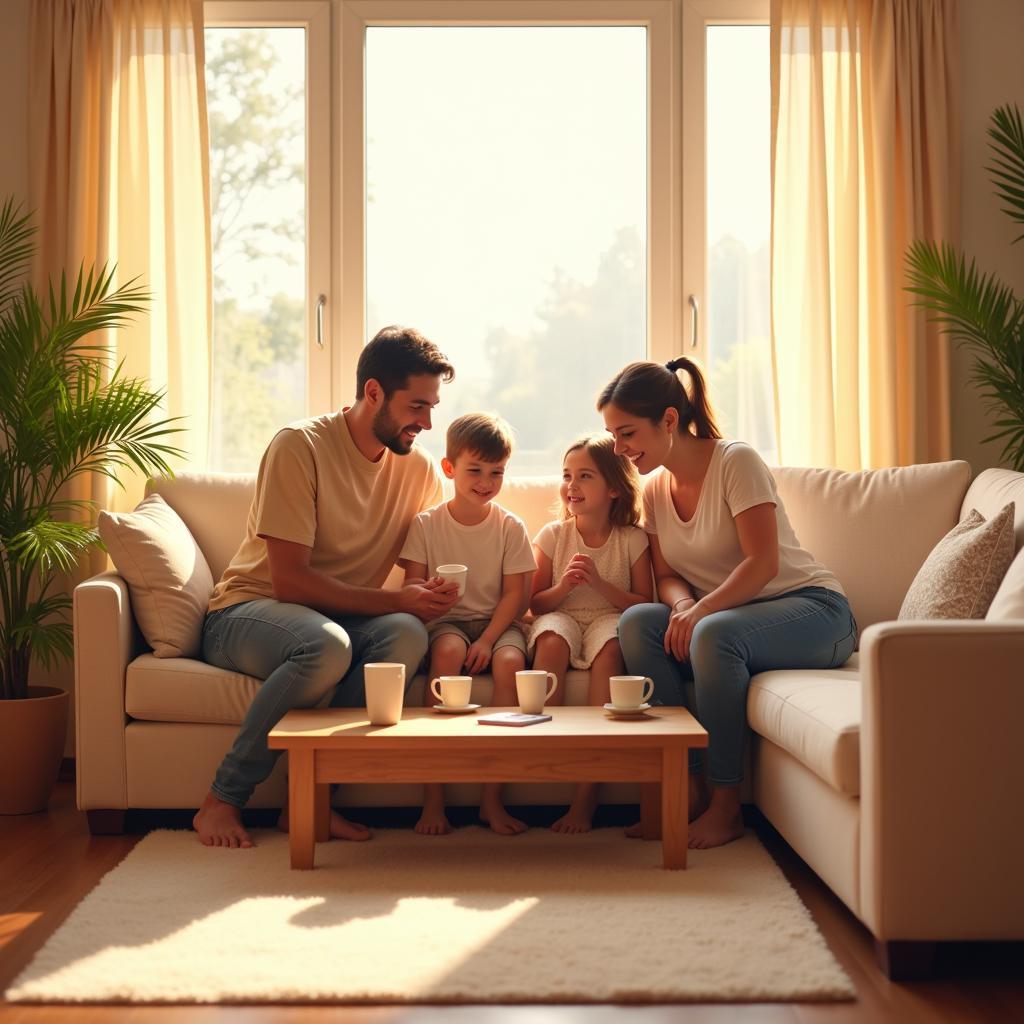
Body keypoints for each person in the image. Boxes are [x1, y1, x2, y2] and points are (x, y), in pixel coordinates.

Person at [193, 326, 460, 850]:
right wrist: (394, 600)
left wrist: (433, 596)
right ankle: (221, 801)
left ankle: (308, 802)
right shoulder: (301, 446)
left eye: (433, 407)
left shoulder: (417, 469)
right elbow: (290, 581)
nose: (427, 423)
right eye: (418, 406)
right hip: (248, 611)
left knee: (406, 633)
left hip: (336, 617)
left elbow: (433, 551)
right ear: (374, 392)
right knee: (325, 645)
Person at [599, 358, 858, 850]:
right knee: (637, 622)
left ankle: (726, 804)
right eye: (613, 435)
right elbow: (668, 575)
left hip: (814, 611)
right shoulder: (654, 488)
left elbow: (762, 563)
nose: (620, 448)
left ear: (669, 420)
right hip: (723, 616)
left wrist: (701, 611)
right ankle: (686, 788)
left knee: (715, 634)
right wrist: (680, 608)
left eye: (628, 433)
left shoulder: (736, 461)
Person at [398, 413, 537, 836]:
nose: (485, 481)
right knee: (447, 652)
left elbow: (517, 596)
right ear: (449, 468)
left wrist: (491, 640)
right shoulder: (426, 524)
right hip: (448, 621)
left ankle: (491, 801)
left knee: (511, 662)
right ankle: (433, 799)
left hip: (498, 622)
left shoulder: (510, 526)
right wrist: (431, 592)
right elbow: (411, 586)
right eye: (475, 470)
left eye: (496, 472)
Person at [528, 434, 653, 833]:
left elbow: (642, 603)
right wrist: (565, 586)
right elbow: (536, 605)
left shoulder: (631, 538)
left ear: (614, 487)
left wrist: (600, 584)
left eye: (585, 476)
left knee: (612, 649)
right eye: (567, 475)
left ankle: (586, 792)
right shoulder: (553, 535)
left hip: (610, 615)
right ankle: (545, 753)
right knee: (550, 640)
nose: (572, 485)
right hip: (561, 613)